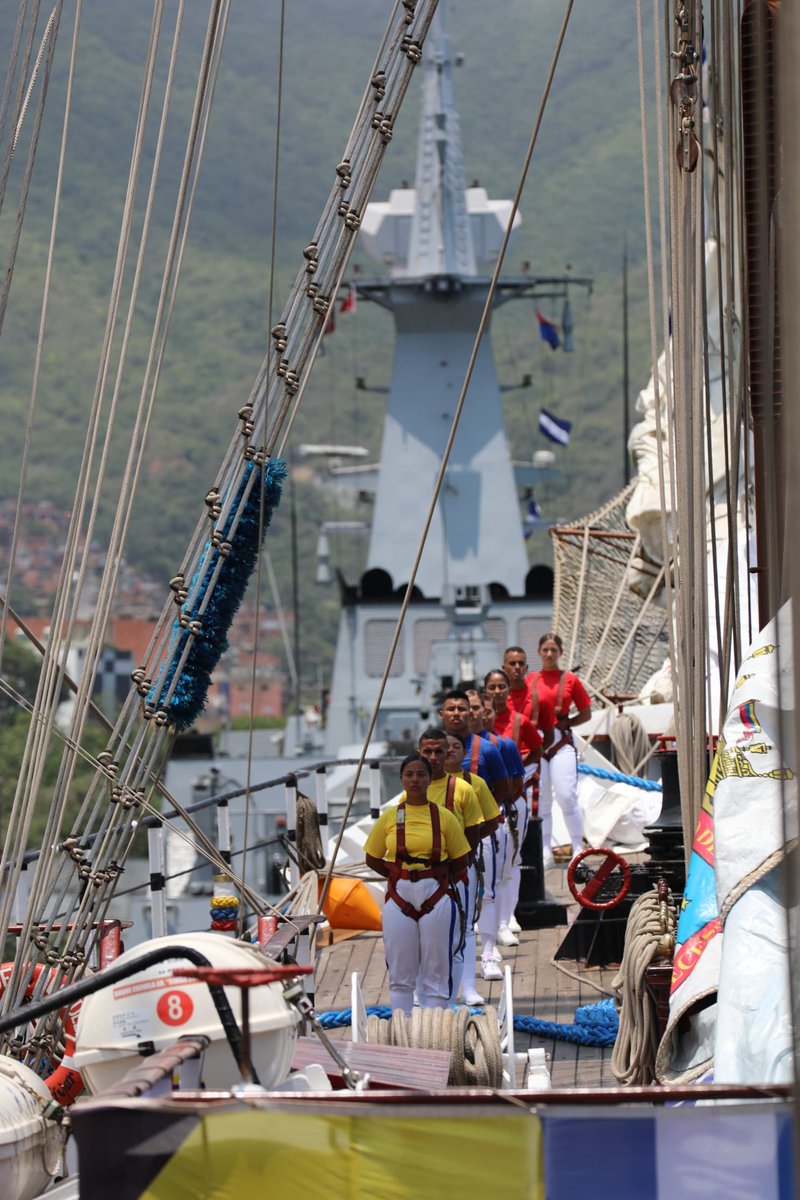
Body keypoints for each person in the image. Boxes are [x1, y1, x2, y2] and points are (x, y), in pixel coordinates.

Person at [364, 754, 470, 1016]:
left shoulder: (446, 818)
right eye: (409, 774)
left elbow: (461, 861)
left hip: (436, 895)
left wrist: (437, 882)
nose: (415, 780)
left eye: (421, 774)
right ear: (401, 779)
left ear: (428, 778)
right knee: (400, 971)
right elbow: (372, 858)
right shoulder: (389, 818)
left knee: (437, 968)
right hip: (399, 897)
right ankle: (404, 1032)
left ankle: (435, 1034)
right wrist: (396, 877)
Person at [417, 728, 482, 1004]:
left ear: (448, 754)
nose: (432, 757)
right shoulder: (413, 788)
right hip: (418, 879)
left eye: (438, 751)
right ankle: (422, 996)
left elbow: (479, 827)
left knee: (458, 936)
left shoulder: (463, 789)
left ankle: (456, 995)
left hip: (453, 875)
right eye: (427, 752)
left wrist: (460, 864)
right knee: (419, 939)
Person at [444, 733, 501, 1001]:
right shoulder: (421, 787)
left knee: (464, 927)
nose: (450, 752)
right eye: (446, 748)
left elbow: (489, 820)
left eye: (457, 747)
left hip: (462, 867)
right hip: (430, 871)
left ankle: (468, 987)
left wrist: (466, 850)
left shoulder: (473, 784)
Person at [532, 632, 592, 868]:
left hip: (561, 741)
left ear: (560, 653)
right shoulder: (530, 681)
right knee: (542, 799)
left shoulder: (570, 680)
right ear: (539, 652)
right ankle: (545, 849)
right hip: (537, 742)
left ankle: (578, 846)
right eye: (545, 650)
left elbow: (586, 712)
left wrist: (568, 724)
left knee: (567, 795)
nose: (549, 654)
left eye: (553, 650)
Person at [438, 689, 510, 806]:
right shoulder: (433, 749)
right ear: (441, 714)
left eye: (461, 709)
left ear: (470, 713)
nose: (456, 713)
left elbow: (502, 790)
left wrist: (483, 816)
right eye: (451, 709)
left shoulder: (488, 748)